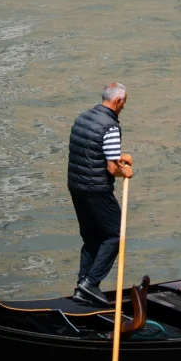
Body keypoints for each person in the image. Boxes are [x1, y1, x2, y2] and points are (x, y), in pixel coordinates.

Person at [67, 82, 134, 305]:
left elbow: (92, 150)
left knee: (92, 237)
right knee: (115, 234)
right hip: (97, 189)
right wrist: (126, 172)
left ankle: (81, 286)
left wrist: (119, 155)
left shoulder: (83, 118)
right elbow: (111, 169)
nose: (123, 107)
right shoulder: (110, 126)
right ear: (117, 101)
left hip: (77, 187)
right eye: (123, 103)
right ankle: (91, 283)